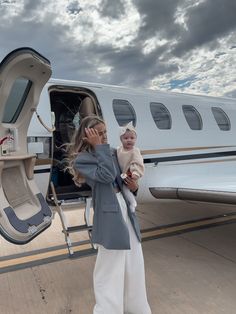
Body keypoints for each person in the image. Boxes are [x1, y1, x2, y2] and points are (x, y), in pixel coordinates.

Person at [66, 115, 151, 314]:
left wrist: (133, 185)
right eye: (99, 133)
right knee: (110, 267)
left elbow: (119, 178)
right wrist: (98, 147)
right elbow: (104, 177)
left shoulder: (111, 152)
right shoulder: (83, 159)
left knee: (134, 260)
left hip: (124, 206)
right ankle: (108, 310)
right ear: (88, 135)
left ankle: (136, 308)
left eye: (105, 132)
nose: (104, 137)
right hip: (109, 213)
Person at [117, 121, 144, 212]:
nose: (129, 140)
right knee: (122, 188)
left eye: (132, 138)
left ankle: (133, 203)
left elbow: (138, 162)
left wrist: (135, 173)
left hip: (131, 173)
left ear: (135, 139)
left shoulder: (135, 151)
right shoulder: (119, 149)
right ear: (121, 139)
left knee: (125, 189)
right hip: (123, 174)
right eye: (126, 138)